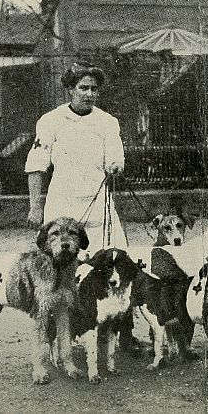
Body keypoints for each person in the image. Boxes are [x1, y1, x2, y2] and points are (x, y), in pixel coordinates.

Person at [24, 61, 138, 350]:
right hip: (62, 206)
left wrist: (114, 166)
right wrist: (36, 207)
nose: (88, 93)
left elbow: (116, 159)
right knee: (61, 273)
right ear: (70, 90)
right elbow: (37, 166)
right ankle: (60, 334)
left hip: (99, 204)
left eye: (93, 89)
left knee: (116, 265)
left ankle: (123, 333)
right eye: (82, 88)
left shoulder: (108, 122)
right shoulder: (50, 121)